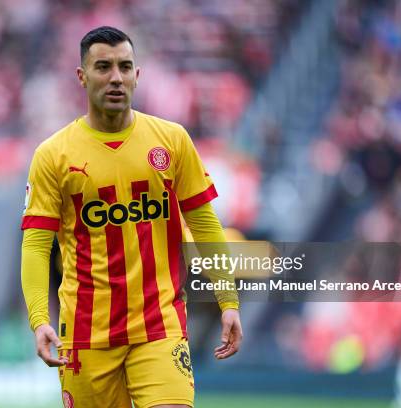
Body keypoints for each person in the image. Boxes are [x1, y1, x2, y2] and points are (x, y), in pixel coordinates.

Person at [21, 26, 242, 408]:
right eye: (103, 67)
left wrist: (228, 300)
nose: (115, 78)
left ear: (137, 75)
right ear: (81, 76)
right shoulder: (53, 156)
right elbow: (38, 245)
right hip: (87, 334)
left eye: (125, 67)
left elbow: (205, 224)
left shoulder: (171, 140)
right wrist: (39, 318)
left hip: (160, 326)